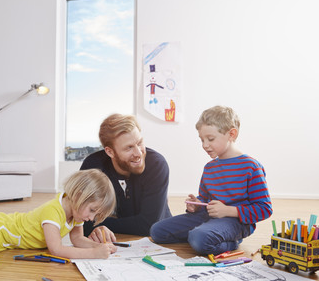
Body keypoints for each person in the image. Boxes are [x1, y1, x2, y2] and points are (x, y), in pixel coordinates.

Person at [150, 106, 273, 255]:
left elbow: (264, 208)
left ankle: (227, 241)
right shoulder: (209, 168)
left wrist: (228, 210)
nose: (205, 145)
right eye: (202, 140)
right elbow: (206, 199)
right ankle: (202, 235)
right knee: (157, 231)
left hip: (236, 221)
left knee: (199, 238)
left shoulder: (251, 167)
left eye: (210, 139)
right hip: (208, 217)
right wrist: (196, 205)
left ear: (231, 134)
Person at [80, 113, 171, 241]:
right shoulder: (93, 167)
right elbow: (82, 219)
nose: (138, 153)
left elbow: (149, 225)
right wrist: (94, 225)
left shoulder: (157, 165)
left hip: (155, 240)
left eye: (140, 143)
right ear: (110, 152)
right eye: (129, 148)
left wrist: (101, 223)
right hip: (107, 240)